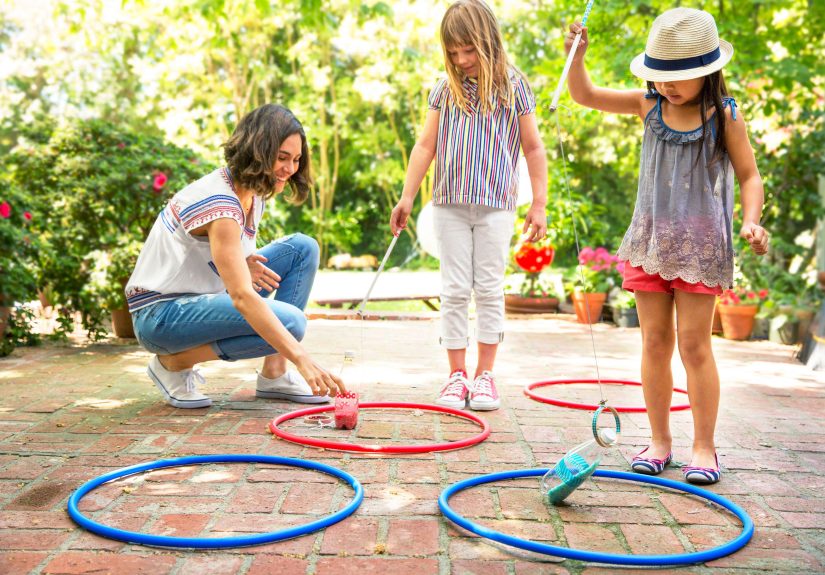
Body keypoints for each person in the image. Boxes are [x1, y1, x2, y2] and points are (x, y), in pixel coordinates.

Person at [565, 8, 769, 483]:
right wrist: (576, 56)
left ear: (707, 72)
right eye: (660, 75)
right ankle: (659, 442)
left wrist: (753, 221)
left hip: (700, 250)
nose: (668, 85)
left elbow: (750, 175)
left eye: (679, 77)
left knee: (695, 345)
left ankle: (704, 447)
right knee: (655, 342)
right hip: (651, 243)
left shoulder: (725, 115)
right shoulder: (647, 105)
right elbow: (584, 94)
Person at [126, 104, 345, 409]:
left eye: (295, 160)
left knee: (302, 248)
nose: (290, 168)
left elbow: (211, 257)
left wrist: (240, 266)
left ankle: (275, 374)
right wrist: (303, 360)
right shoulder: (221, 203)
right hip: (159, 316)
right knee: (291, 323)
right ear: (258, 150)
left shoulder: (252, 194)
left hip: (196, 300)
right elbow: (242, 296)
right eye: (281, 158)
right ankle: (173, 364)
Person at [390, 0, 548, 411]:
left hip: (496, 205)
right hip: (449, 205)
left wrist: (540, 203)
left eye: (469, 51)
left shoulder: (516, 87)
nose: (461, 60)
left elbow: (533, 148)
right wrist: (407, 195)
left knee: (490, 289)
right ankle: (456, 375)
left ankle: (485, 377)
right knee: (455, 290)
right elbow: (426, 145)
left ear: (489, 42)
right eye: (453, 53)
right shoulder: (445, 89)